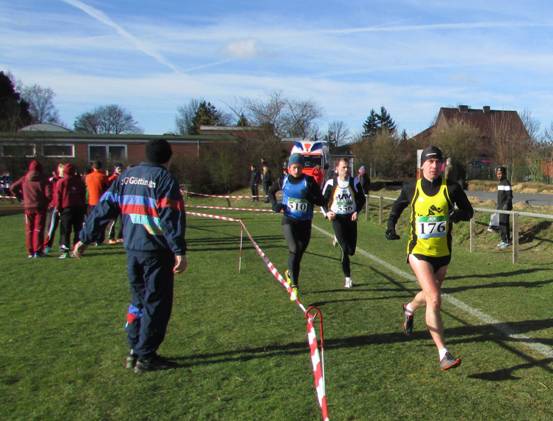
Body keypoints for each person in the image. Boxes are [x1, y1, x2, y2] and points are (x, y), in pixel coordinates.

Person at [73, 139, 187, 373]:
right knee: (157, 302)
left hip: (133, 249)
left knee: (138, 300)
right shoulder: (164, 179)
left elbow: (103, 208)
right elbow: (170, 217)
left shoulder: (126, 177)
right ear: (168, 157)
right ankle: (146, 356)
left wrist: (85, 237)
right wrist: (178, 250)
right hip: (156, 250)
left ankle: (135, 348)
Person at [385, 145, 473, 371]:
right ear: (422, 164)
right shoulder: (411, 188)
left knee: (428, 294)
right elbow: (397, 207)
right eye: (430, 161)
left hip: (442, 254)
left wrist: (457, 214)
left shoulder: (451, 189)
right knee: (434, 298)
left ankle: (410, 307)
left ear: (442, 164)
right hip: (419, 251)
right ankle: (443, 353)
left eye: (438, 162)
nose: (434, 166)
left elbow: (469, 211)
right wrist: (390, 226)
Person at [268, 153, 324, 301]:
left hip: (305, 223)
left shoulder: (309, 182)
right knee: (294, 249)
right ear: (289, 168)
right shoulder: (283, 180)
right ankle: (294, 286)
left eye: (299, 167)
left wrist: (310, 197)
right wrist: (275, 204)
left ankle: (289, 273)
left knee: (298, 254)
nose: (296, 170)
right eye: (294, 167)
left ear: (302, 168)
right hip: (289, 221)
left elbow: (321, 201)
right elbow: (270, 191)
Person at [322, 158, 365, 288]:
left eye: (347, 168)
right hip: (337, 218)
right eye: (343, 168)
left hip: (350, 218)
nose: (346, 170)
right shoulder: (331, 183)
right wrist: (327, 213)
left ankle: (338, 238)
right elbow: (322, 201)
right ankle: (348, 278)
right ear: (337, 169)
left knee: (351, 250)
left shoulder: (354, 181)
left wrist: (357, 211)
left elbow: (361, 199)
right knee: (344, 249)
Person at [10, 160, 51, 258]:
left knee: (29, 229)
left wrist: (21, 198)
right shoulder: (44, 180)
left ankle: (30, 251)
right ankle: (38, 251)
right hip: (40, 207)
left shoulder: (25, 178)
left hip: (28, 207)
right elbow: (49, 195)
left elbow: (12, 188)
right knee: (39, 229)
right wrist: (46, 202)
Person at [56, 163, 87, 259]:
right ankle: (76, 249)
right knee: (78, 230)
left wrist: (58, 208)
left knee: (65, 230)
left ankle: (65, 251)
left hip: (67, 208)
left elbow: (58, 196)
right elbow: (83, 195)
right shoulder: (79, 182)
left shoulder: (61, 182)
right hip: (79, 208)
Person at [43, 163, 64, 254]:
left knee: (64, 228)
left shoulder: (66, 180)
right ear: (59, 170)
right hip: (55, 206)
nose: (63, 171)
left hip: (64, 207)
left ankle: (62, 245)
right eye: (61, 169)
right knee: (52, 227)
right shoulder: (53, 180)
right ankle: (47, 245)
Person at [106, 163, 124, 244]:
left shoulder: (124, 177)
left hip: (122, 201)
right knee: (113, 220)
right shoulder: (112, 178)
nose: (120, 169)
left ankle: (120, 236)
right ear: (115, 169)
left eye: (121, 168)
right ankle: (111, 237)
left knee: (122, 219)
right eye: (118, 168)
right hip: (114, 201)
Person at [496, 166, 513, 249]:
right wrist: (498, 206)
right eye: (497, 174)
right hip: (500, 207)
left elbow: (510, 196)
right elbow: (500, 197)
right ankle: (503, 240)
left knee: (505, 224)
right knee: (501, 224)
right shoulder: (500, 183)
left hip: (506, 208)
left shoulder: (506, 183)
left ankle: (507, 241)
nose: (499, 175)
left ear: (504, 174)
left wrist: (506, 205)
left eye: (500, 174)